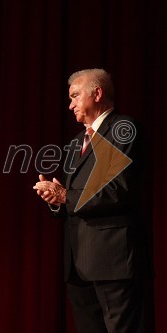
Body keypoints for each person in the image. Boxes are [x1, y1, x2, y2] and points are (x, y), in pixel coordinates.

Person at [33, 69, 153, 332]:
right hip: (79, 263)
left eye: (75, 96)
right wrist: (55, 200)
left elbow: (117, 189)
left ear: (97, 94)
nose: (70, 104)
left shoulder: (124, 129)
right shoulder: (77, 142)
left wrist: (67, 196)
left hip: (113, 260)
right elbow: (72, 198)